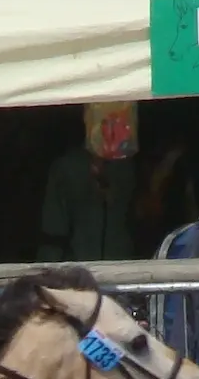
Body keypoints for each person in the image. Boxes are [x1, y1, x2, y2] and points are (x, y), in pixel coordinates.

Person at [39, 102, 138, 264]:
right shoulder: (67, 167)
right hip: (77, 265)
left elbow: (137, 212)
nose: (110, 129)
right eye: (103, 122)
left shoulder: (127, 167)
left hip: (120, 262)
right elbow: (53, 227)